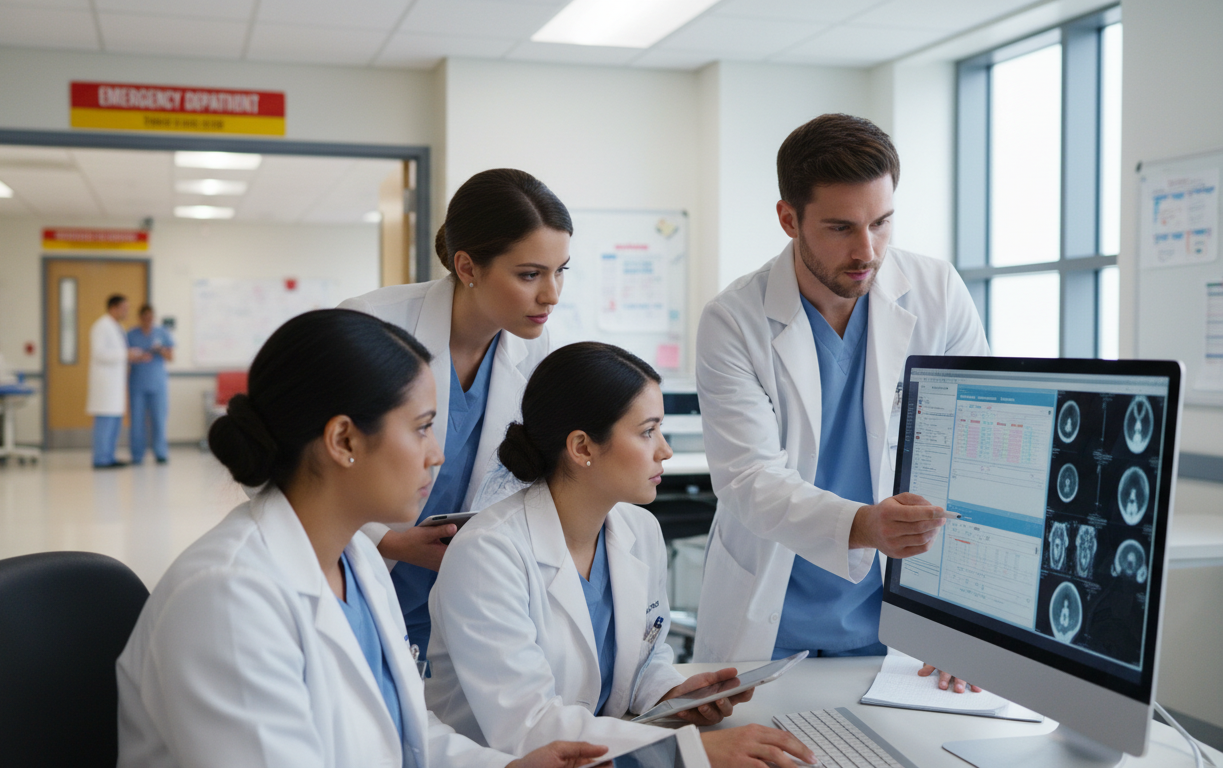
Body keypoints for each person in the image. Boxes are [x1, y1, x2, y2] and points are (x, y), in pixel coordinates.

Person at [115, 309, 607, 768]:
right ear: (343, 440)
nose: (437, 455)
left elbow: (407, 734)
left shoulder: (357, 561)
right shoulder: (227, 596)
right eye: (422, 429)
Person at [692, 113, 990, 693]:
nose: (866, 250)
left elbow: (973, 456)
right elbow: (749, 479)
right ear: (789, 219)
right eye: (840, 228)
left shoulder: (937, 293)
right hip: (774, 616)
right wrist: (863, 524)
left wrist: (965, 618)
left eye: (881, 223)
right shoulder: (734, 320)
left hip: (903, 616)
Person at [426, 342, 816, 767]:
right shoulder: (487, 554)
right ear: (582, 447)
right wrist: (694, 751)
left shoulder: (639, 530)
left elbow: (643, 658)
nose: (665, 450)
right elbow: (531, 727)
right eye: (648, 432)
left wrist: (669, 694)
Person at [340, 168, 570, 659]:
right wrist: (389, 542)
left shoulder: (534, 345)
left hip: (456, 583)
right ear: (467, 266)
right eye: (530, 275)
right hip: (358, 569)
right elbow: (292, 461)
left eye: (560, 271)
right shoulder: (372, 323)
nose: (551, 294)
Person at [88, 294, 142, 469]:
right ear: (114, 308)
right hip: (105, 384)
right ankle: (101, 459)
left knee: (115, 421)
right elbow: (99, 353)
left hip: (115, 384)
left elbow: (117, 353)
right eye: (124, 308)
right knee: (105, 422)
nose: (126, 312)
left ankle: (109, 456)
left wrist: (130, 356)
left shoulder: (117, 327)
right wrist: (126, 354)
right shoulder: (101, 326)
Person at [126, 304, 174, 464]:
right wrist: (137, 357)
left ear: (154, 317)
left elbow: (171, 357)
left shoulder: (162, 333)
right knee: (137, 421)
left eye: (150, 317)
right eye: (145, 317)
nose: (148, 319)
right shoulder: (131, 334)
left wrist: (160, 350)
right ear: (140, 317)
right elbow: (126, 357)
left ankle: (160, 453)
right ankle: (137, 455)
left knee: (159, 419)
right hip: (137, 384)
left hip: (157, 383)